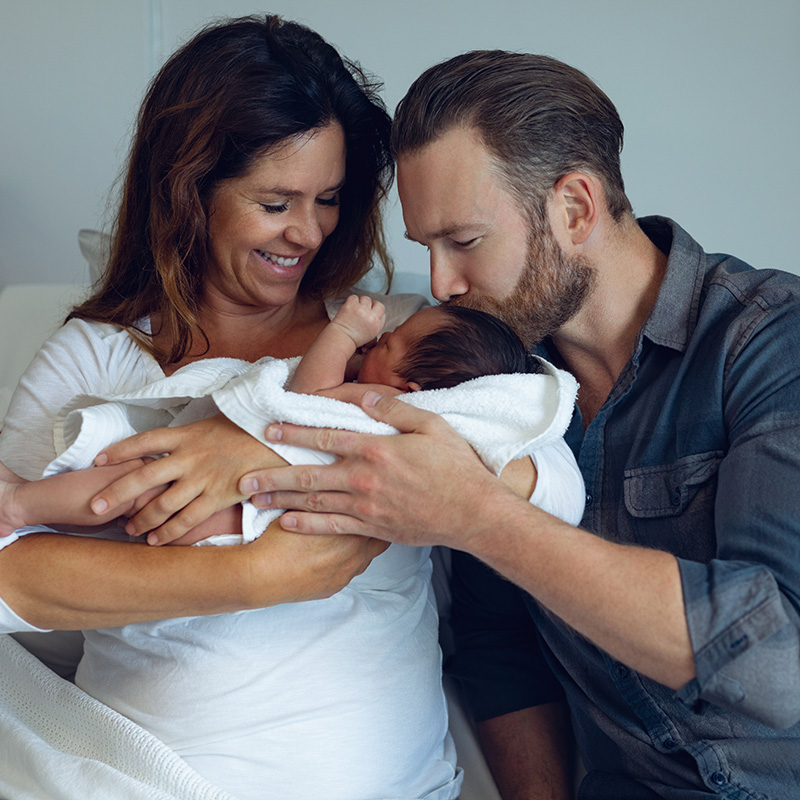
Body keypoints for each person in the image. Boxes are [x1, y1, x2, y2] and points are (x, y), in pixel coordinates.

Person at [94, 50, 800, 799]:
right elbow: (499, 651)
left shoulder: (764, 342)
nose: (439, 284)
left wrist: (478, 516)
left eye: (462, 242)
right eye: (426, 248)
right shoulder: (481, 383)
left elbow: (779, 663)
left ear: (575, 208)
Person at [0, 15, 462, 800]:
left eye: (328, 199)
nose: (309, 232)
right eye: (277, 201)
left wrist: (253, 446)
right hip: (148, 777)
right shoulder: (98, 355)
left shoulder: (399, 342)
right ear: (190, 191)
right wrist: (255, 576)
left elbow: (528, 459)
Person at [0, 297, 549, 546]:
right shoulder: (419, 415)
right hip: (252, 509)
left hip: (256, 506)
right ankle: (27, 509)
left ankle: (22, 503)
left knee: (131, 492)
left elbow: (308, 394)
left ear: (407, 389)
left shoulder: (382, 405)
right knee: (130, 509)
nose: (376, 342)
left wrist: (343, 333)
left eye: (389, 344)